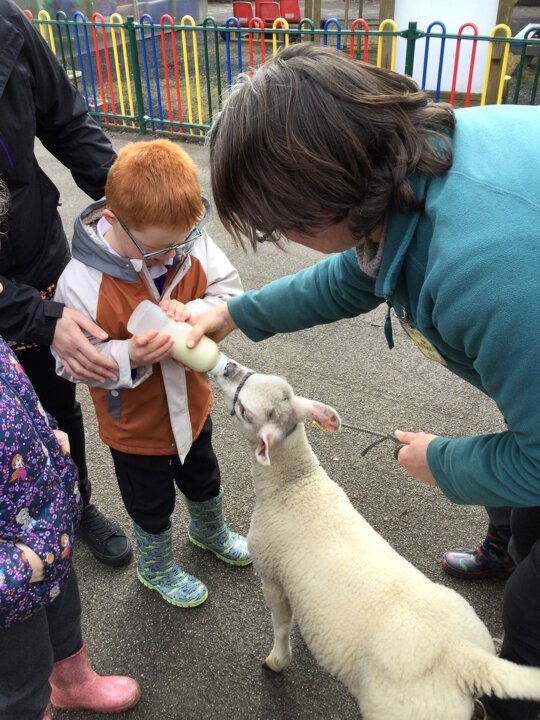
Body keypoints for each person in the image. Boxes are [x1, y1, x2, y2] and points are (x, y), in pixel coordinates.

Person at [185, 43, 540, 720]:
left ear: (319, 199)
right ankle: (511, 553)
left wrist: (442, 462)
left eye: (280, 225)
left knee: (530, 613)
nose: (284, 238)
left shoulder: (486, 268)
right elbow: (363, 270)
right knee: (528, 521)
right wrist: (232, 314)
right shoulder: (424, 163)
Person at [53, 139, 251, 608]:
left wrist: (195, 311)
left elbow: (229, 292)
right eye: (157, 250)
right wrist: (129, 354)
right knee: (150, 499)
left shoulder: (187, 241)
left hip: (193, 406)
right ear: (112, 221)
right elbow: (69, 359)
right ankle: (156, 565)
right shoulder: (80, 281)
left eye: (180, 245)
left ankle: (209, 531)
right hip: (133, 426)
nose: (170, 257)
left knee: (203, 475)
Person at [0, 177, 141, 720]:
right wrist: (17, 567)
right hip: (14, 567)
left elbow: (15, 390)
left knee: (63, 614)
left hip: (43, 518)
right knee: (19, 673)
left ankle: (73, 679)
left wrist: (45, 434)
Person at [0, 0, 131, 567]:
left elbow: (67, 122)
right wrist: (33, 317)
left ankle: (74, 506)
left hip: (34, 253)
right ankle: (17, 537)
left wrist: (135, 204)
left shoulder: (8, 25)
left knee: (55, 401)